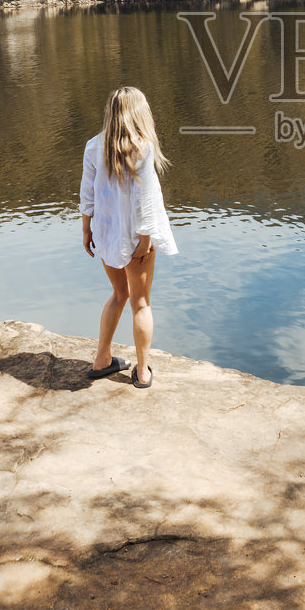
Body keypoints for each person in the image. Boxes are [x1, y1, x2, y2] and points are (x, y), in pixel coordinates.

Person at [80, 86, 178, 389]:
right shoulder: (143, 147)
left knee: (118, 295)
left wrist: (86, 229)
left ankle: (102, 360)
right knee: (141, 303)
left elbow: (88, 193)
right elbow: (145, 199)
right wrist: (146, 239)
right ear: (140, 113)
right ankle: (143, 371)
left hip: (106, 234)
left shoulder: (94, 146)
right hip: (137, 237)